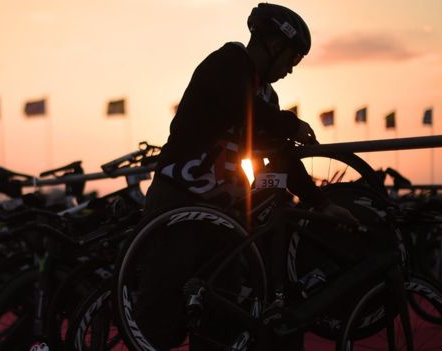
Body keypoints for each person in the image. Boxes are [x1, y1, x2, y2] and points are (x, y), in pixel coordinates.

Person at [135, 3, 358, 350]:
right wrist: (290, 123)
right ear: (273, 44)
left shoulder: (267, 96)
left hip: (224, 216)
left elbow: (280, 155)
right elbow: (244, 107)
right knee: (160, 317)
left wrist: (322, 203)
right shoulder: (226, 64)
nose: (290, 70)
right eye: (291, 60)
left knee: (222, 315)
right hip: (180, 199)